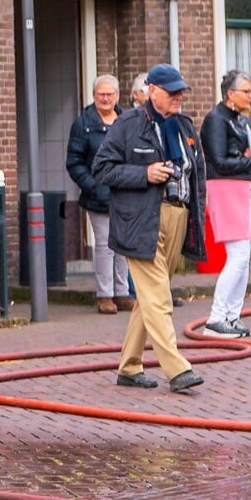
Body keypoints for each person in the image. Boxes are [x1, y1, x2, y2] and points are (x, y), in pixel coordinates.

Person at [93, 63, 206, 395]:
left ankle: (129, 366)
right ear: (152, 90)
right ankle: (177, 368)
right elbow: (102, 169)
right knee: (159, 296)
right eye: (171, 91)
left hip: (177, 215)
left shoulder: (184, 125)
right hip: (139, 218)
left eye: (180, 91)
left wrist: (197, 210)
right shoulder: (128, 124)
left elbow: (195, 171)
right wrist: (144, 174)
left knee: (149, 296)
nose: (178, 97)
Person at [199, 69, 251, 340]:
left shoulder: (241, 120)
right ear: (230, 94)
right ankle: (216, 317)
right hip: (227, 189)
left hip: (244, 187)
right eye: (246, 91)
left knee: (244, 255)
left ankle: (232, 316)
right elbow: (218, 162)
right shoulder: (215, 120)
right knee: (236, 255)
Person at [67, 75, 128, 315]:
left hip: (125, 193)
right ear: (94, 96)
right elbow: (74, 161)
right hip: (98, 196)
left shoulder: (127, 121)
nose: (105, 98)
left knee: (123, 246)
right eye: (101, 94)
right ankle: (105, 295)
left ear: (117, 96)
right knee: (104, 245)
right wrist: (92, 185)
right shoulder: (83, 124)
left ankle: (123, 293)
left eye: (110, 94)